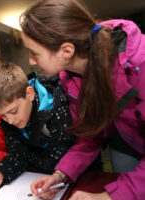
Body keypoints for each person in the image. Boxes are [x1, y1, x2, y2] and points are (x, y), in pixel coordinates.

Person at [20, 0, 145, 199]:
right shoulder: (70, 80)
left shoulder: (140, 63)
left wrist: (109, 197)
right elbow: (90, 134)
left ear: (66, 51)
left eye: (34, 52)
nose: (31, 61)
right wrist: (61, 175)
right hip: (129, 142)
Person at [0, 62, 75, 194]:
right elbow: (17, 155)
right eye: (3, 115)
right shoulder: (10, 121)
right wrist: (1, 171)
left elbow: (63, 157)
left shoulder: (57, 109)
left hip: (79, 177)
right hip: (44, 178)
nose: (11, 121)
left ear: (29, 94)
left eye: (13, 111)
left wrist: (55, 179)